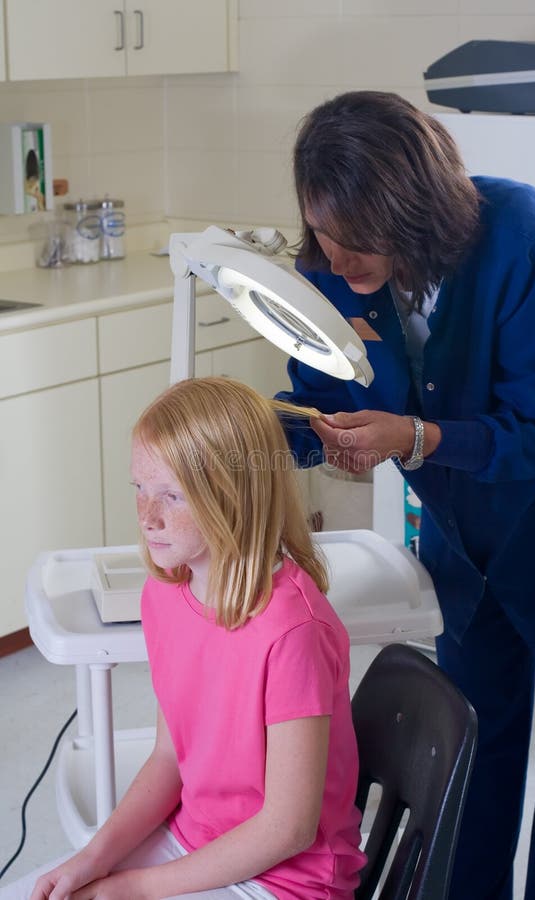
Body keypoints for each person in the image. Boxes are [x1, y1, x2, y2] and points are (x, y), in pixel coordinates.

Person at [275, 90, 535, 900]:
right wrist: (256, 436)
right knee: (474, 743)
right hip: (462, 538)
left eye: (359, 236)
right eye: (323, 231)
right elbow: (321, 397)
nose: (338, 259)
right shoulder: (334, 269)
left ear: (412, 209)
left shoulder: (525, 235)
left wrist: (413, 437)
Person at [1, 377, 366, 900]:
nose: (146, 517)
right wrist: (93, 859)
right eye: (139, 488)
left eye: (171, 496)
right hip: (195, 841)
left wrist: (135, 887)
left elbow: (287, 829)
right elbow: (169, 759)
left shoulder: (294, 633)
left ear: (233, 497)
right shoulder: (164, 595)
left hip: (286, 881)